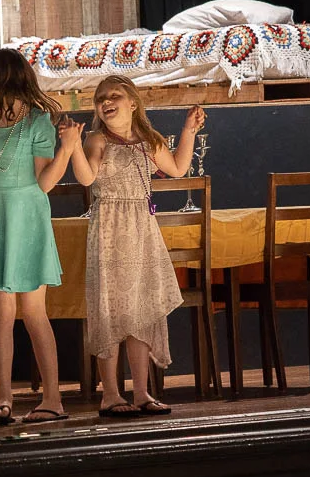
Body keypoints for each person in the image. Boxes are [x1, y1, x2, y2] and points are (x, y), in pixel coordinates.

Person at [66, 75, 206, 416]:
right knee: (110, 309)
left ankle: (142, 392)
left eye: (114, 94)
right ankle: (111, 394)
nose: (105, 101)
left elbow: (178, 167)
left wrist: (188, 131)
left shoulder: (149, 140)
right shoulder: (97, 139)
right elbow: (87, 177)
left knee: (141, 310)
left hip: (142, 228)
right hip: (110, 229)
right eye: (100, 97)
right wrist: (73, 147)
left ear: (132, 103)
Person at [0, 49, 80, 426]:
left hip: (27, 220)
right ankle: (4, 399)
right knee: (2, 313)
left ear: (1, 80)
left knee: (33, 312)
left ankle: (53, 398)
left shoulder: (37, 122)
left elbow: (43, 182)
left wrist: (67, 151)